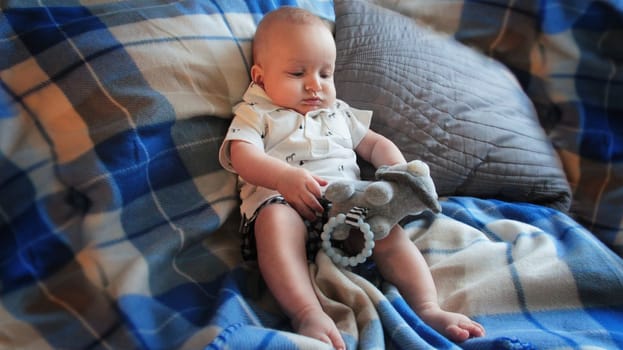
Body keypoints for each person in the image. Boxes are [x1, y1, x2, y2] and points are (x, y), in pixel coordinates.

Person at [219, 6, 485, 349]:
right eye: (298, 72)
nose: (315, 85)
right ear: (259, 77)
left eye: (325, 74)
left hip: (350, 210)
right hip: (283, 202)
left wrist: (398, 176)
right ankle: (306, 312)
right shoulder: (256, 112)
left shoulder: (338, 112)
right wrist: (284, 177)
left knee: (389, 233)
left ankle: (428, 307)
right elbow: (243, 155)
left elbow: (375, 144)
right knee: (274, 222)